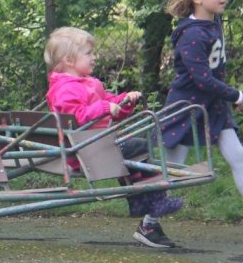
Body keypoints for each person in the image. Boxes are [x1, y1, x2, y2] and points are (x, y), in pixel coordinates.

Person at [44, 27, 184, 249]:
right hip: (82, 150)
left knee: (136, 150)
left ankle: (146, 200)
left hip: (95, 144)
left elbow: (109, 103)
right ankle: (148, 200)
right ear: (69, 60)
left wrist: (125, 101)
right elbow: (77, 116)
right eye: (88, 53)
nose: (94, 57)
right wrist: (104, 107)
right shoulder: (66, 89)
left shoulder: (86, 83)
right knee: (136, 147)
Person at [160, 0, 243, 209]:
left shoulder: (213, 22)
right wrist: (237, 96)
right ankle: (149, 221)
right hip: (186, 109)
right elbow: (203, 80)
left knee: (239, 157)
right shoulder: (192, 34)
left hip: (213, 107)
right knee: (174, 168)